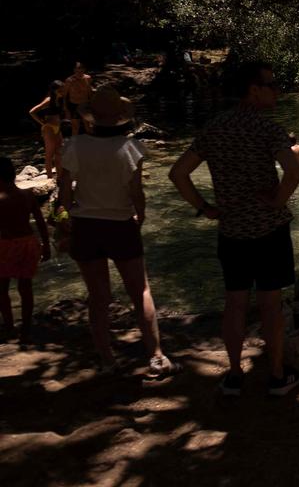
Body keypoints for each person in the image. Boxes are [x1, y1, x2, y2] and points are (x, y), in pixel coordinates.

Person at [168, 63, 299, 396]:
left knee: (235, 304)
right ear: (253, 90)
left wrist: (205, 208)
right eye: (271, 84)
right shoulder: (267, 129)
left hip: (231, 232)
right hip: (269, 231)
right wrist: (277, 200)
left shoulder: (215, 128)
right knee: (271, 305)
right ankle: (275, 375)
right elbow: (293, 170)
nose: (277, 90)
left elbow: (178, 173)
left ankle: (233, 374)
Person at [59, 85, 176, 377]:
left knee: (98, 296)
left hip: (86, 225)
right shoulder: (130, 147)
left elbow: (63, 191)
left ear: (91, 116)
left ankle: (107, 360)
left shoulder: (74, 145)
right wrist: (141, 215)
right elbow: (136, 192)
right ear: (120, 116)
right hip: (121, 224)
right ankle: (156, 357)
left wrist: (65, 221)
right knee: (141, 291)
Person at [0, 156, 50, 343]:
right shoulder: (28, 195)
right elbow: (41, 223)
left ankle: (9, 327)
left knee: (2, 288)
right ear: (14, 175)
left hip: (5, 245)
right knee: (25, 286)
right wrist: (46, 246)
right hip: (28, 243)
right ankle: (26, 329)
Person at [28, 80, 65, 178]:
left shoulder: (60, 99)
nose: (62, 91)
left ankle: (59, 177)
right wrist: (42, 123)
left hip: (58, 128)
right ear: (54, 90)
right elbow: (32, 112)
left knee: (59, 153)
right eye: (60, 90)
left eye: (63, 89)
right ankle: (49, 178)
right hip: (49, 128)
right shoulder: (49, 100)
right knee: (49, 154)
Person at [64, 61, 94, 136]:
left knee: (88, 126)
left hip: (85, 105)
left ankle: (92, 144)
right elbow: (65, 95)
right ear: (74, 70)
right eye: (78, 68)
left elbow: (90, 92)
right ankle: (74, 146)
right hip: (74, 106)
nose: (80, 70)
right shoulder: (69, 81)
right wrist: (66, 109)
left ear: (84, 69)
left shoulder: (88, 78)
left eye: (81, 68)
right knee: (75, 128)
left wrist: (92, 105)